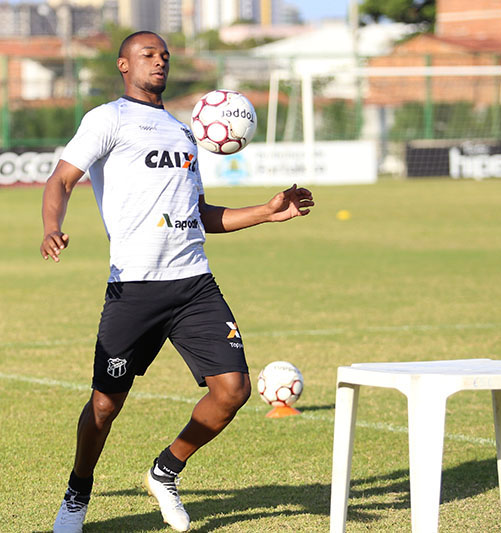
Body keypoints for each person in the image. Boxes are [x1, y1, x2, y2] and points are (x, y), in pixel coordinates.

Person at [42, 31, 314, 533]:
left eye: (164, 56)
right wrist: (51, 227)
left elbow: (201, 214)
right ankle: (77, 494)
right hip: (135, 287)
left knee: (232, 391)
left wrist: (266, 211)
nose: (159, 62)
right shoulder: (107, 119)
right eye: (148, 55)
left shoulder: (184, 132)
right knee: (104, 405)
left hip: (194, 284)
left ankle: (165, 471)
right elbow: (60, 180)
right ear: (124, 65)